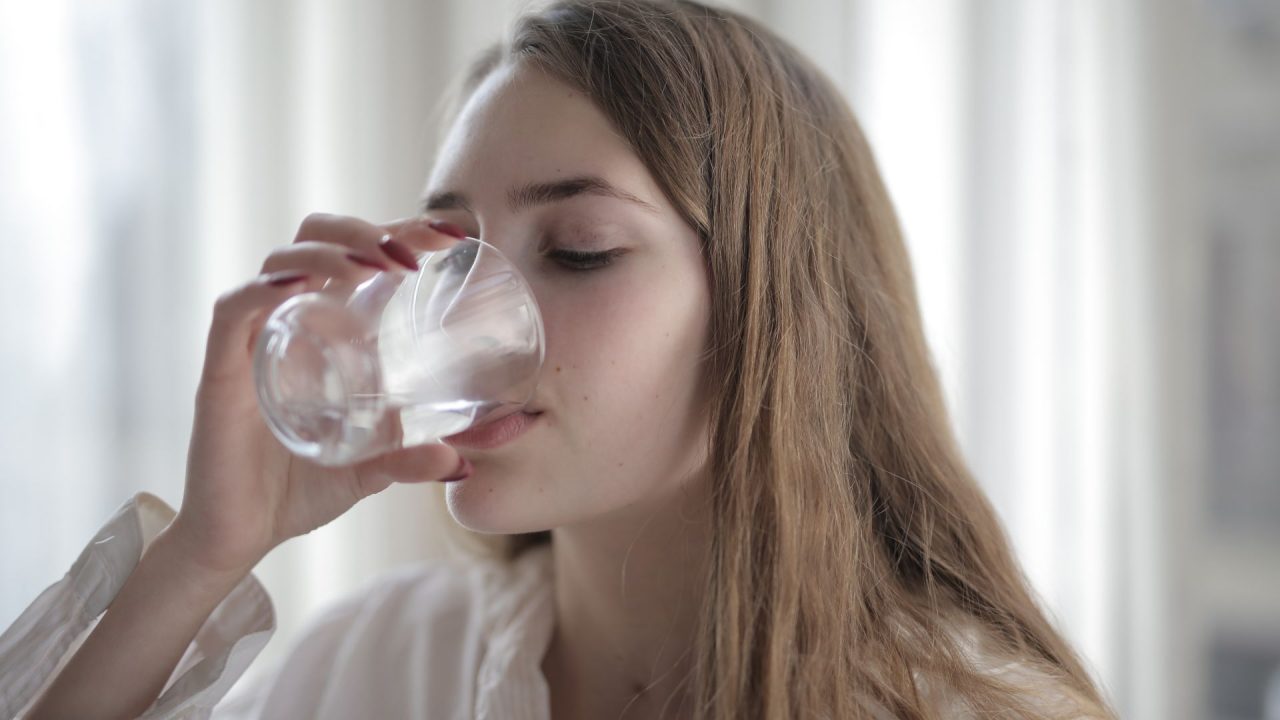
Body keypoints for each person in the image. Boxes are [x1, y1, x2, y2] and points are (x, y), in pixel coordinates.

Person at [0, 0, 1119, 718]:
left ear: (773, 313)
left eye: (577, 250)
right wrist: (203, 552)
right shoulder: (387, 664)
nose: (468, 325)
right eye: (450, 254)